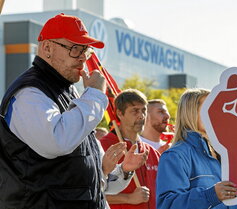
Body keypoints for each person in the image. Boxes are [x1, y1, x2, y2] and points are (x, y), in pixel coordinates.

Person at [0, 13, 145, 209]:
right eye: (75, 48)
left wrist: (123, 171)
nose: (83, 58)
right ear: (47, 48)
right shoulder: (30, 93)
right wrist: (94, 94)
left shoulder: (69, 92)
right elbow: (57, 141)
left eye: (86, 50)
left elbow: (88, 180)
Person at [156, 88, 237, 209]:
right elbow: (168, 205)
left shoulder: (222, 153)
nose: (216, 113)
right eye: (209, 108)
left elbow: (235, 200)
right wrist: (210, 195)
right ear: (190, 112)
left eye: (216, 108)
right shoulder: (175, 155)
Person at [100, 89, 160, 209]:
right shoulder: (103, 146)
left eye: (144, 110)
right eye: (135, 111)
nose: (141, 116)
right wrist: (128, 198)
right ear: (120, 114)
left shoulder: (152, 152)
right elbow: (91, 191)